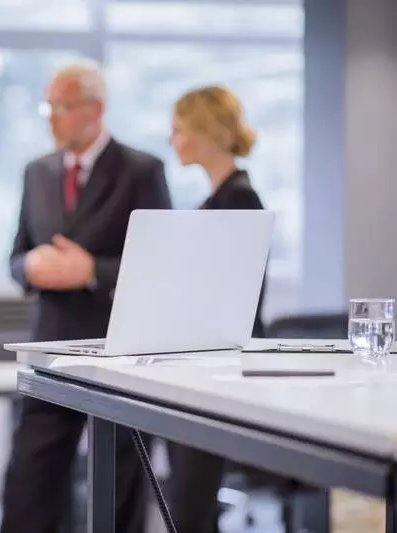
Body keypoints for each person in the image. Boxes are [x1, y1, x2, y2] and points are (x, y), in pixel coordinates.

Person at [0, 59, 172, 533]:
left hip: (118, 349)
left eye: (62, 105)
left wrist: (91, 270)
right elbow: (16, 256)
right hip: (50, 347)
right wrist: (29, 268)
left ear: (97, 108)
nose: (51, 115)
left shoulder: (141, 170)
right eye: (48, 105)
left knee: (117, 485)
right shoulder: (37, 172)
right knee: (29, 479)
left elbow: (162, 263)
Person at [166, 84, 266, 533]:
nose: (174, 141)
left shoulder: (238, 201)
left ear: (205, 132)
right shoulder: (215, 201)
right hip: (204, 366)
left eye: (179, 130)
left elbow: (232, 299)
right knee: (187, 503)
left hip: (220, 372)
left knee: (189, 507)